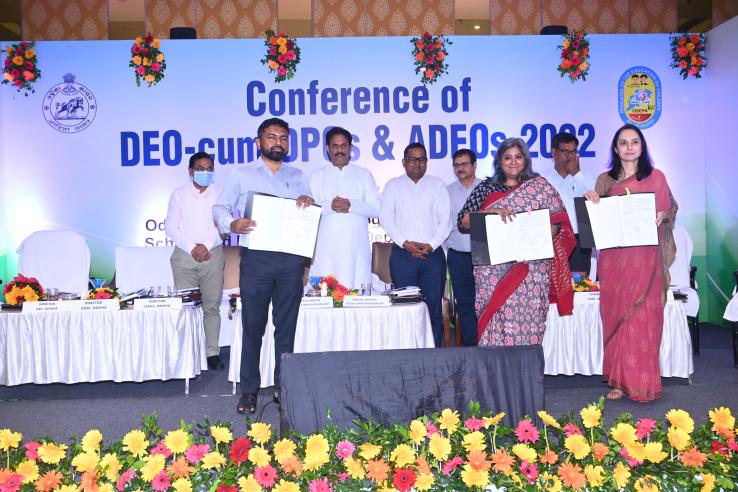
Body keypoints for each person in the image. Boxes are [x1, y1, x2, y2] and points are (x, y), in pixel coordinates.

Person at [213, 117, 315, 414]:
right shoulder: (242, 174)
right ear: (259, 142)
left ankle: (284, 389)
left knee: (286, 329)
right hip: (256, 259)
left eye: (283, 137)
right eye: (272, 137)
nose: (278, 142)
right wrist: (231, 222)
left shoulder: (298, 176)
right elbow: (219, 207)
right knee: (253, 327)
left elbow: (307, 214)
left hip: (289, 261)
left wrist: (309, 203)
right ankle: (248, 391)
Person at [584, 124, 677, 402]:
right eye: (623, 142)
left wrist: (664, 214)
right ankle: (618, 382)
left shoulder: (656, 178)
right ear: (616, 148)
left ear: (642, 146)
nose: (629, 147)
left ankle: (644, 383)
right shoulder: (605, 180)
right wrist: (592, 200)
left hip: (646, 261)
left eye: (634, 142)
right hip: (616, 261)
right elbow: (594, 216)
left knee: (643, 319)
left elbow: (671, 208)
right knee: (617, 316)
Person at [459, 137, 575, 346]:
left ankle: (526, 375)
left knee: (530, 323)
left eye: (518, 157)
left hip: (531, 270)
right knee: (496, 321)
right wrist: (491, 212)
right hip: (493, 273)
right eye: (507, 158)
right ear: (499, 162)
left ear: (525, 160)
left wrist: (533, 241)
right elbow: (464, 222)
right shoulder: (486, 188)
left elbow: (558, 224)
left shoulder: (540, 186)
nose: (513, 162)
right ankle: (495, 375)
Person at [379, 143, 452, 347]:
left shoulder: (437, 185)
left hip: (433, 256)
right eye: (412, 159)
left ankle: (435, 357)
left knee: (433, 310)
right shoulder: (393, 185)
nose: (417, 164)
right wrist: (405, 244)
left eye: (422, 159)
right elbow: (386, 218)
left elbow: (445, 219)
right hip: (403, 257)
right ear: (404, 162)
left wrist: (431, 245)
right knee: (405, 310)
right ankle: (407, 355)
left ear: (427, 162)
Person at [165, 151, 226, 371]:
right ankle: (188, 354)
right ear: (191, 172)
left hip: (213, 253)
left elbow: (224, 226)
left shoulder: (221, 194)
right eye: (200, 169)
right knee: (186, 308)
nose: (205, 172)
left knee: (211, 307)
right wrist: (193, 248)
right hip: (184, 256)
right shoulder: (179, 194)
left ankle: (212, 353)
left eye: (209, 169)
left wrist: (205, 246)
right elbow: (170, 227)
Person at [309, 127, 380, 289]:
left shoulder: (364, 175)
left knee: (357, 299)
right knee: (327, 298)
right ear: (328, 149)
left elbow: (376, 209)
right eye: (335, 146)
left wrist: (351, 205)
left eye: (343, 146)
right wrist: (330, 206)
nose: (339, 150)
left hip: (356, 250)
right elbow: (309, 212)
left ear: (350, 149)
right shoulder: (316, 176)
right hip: (327, 250)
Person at [541, 132, 596, 274]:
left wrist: (576, 174)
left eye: (573, 151)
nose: (570, 156)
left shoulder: (587, 178)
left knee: (579, 286)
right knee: (553, 287)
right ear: (553, 152)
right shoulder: (542, 180)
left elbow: (596, 200)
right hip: (552, 239)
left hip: (580, 240)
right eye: (565, 151)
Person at [445, 149, 481, 346]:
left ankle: (487, 345)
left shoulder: (486, 188)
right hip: (458, 256)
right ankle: (471, 348)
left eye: (464, 164)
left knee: (484, 303)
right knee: (465, 305)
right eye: (457, 165)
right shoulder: (447, 192)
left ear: (474, 165)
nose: (460, 168)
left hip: (484, 256)